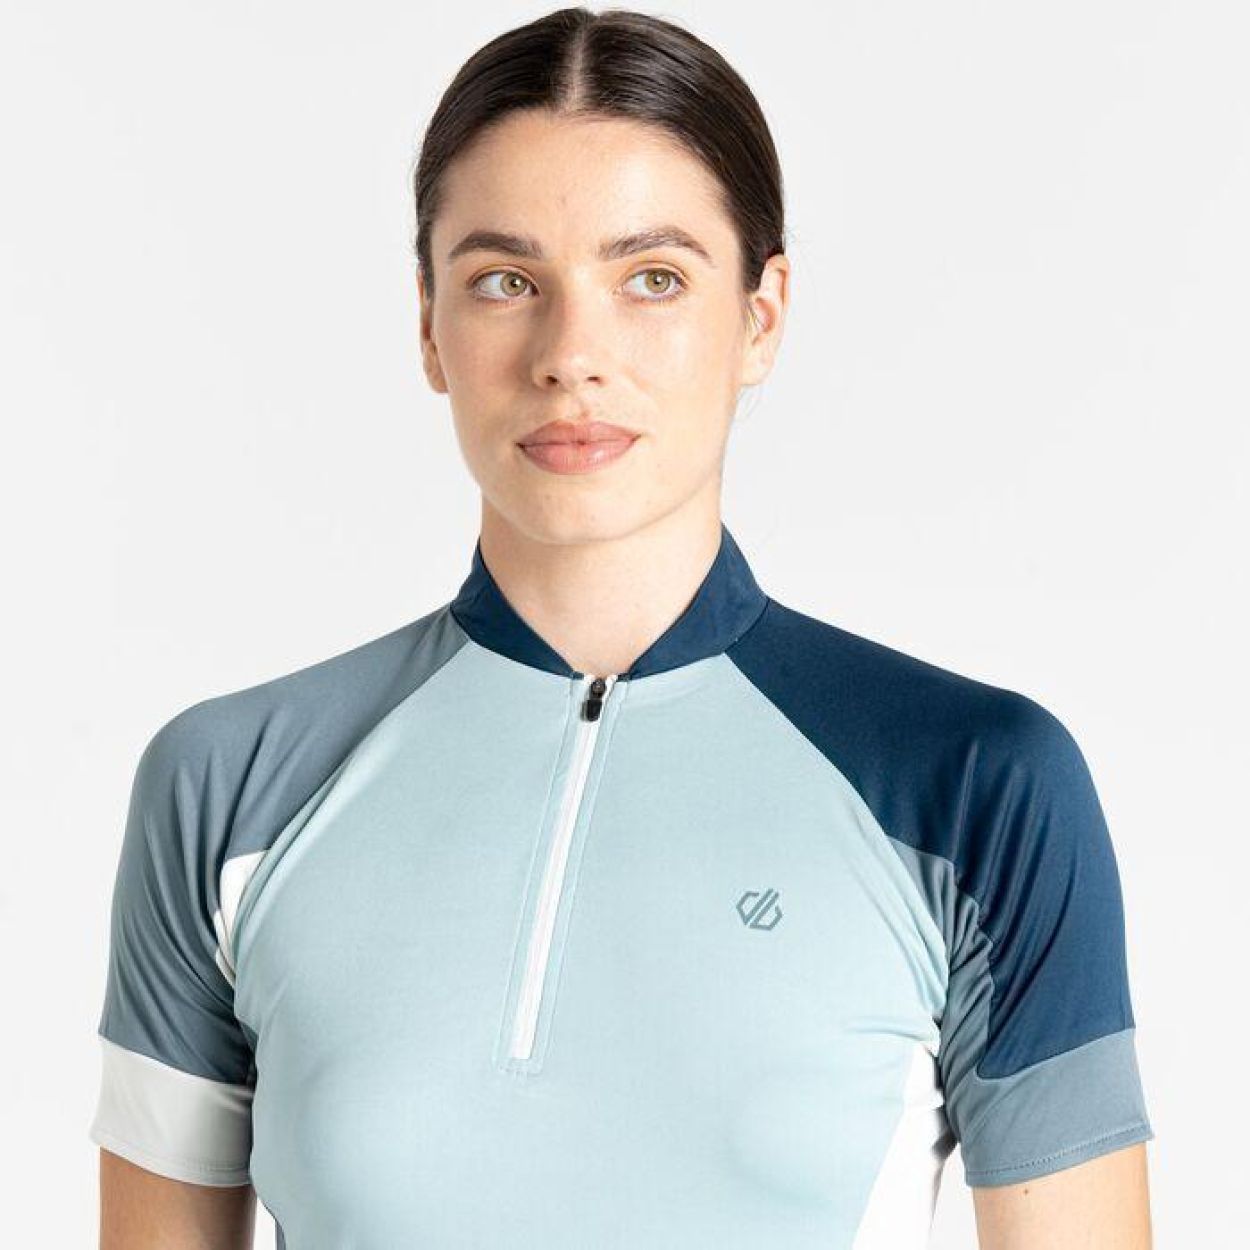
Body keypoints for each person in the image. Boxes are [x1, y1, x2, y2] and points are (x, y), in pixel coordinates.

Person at [88, 7, 1154, 1247]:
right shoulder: (231, 788)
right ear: (429, 323)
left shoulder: (967, 786)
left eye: (651, 277)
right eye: (504, 281)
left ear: (760, 315)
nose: (570, 355)